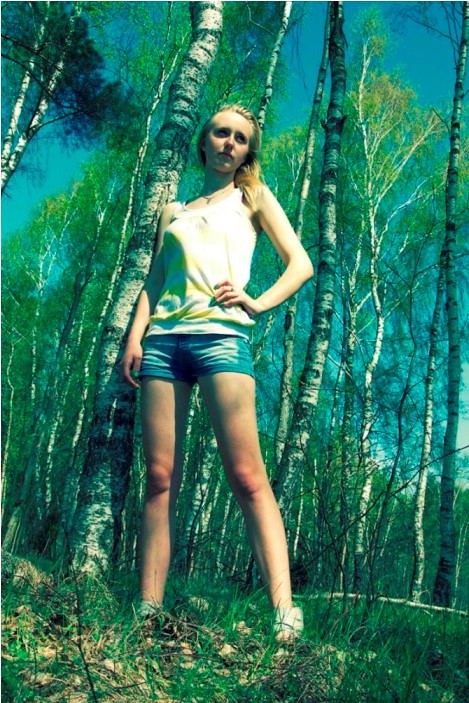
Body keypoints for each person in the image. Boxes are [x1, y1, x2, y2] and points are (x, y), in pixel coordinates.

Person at [120, 104, 313, 640]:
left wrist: (257, 302)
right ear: (203, 141)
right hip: (163, 344)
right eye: (221, 133)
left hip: (222, 340)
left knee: (247, 476)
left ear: (247, 152)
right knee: (159, 478)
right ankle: (148, 609)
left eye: (240, 138)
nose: (229, 143)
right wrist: (134, 337)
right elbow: (156, 278)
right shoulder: (174, 210)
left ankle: (285, 612)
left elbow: (300, 263)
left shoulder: (253, 197)